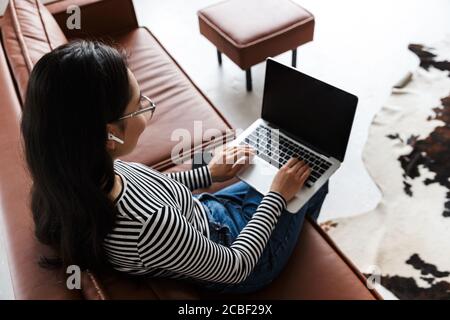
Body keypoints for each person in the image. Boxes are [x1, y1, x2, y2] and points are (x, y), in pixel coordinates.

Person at [21, 40, 328, 294]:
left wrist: (209, 173)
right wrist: (276, 197)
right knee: (314, 176)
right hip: (243, 259)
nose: (147, 106)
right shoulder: (150, 225)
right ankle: (299, 238)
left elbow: (158, 190)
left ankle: (293, 222)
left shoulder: (81, 176)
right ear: (109, 134)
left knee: (277, 166)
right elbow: (236, 266)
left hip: (207, 214)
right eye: (139, 105)